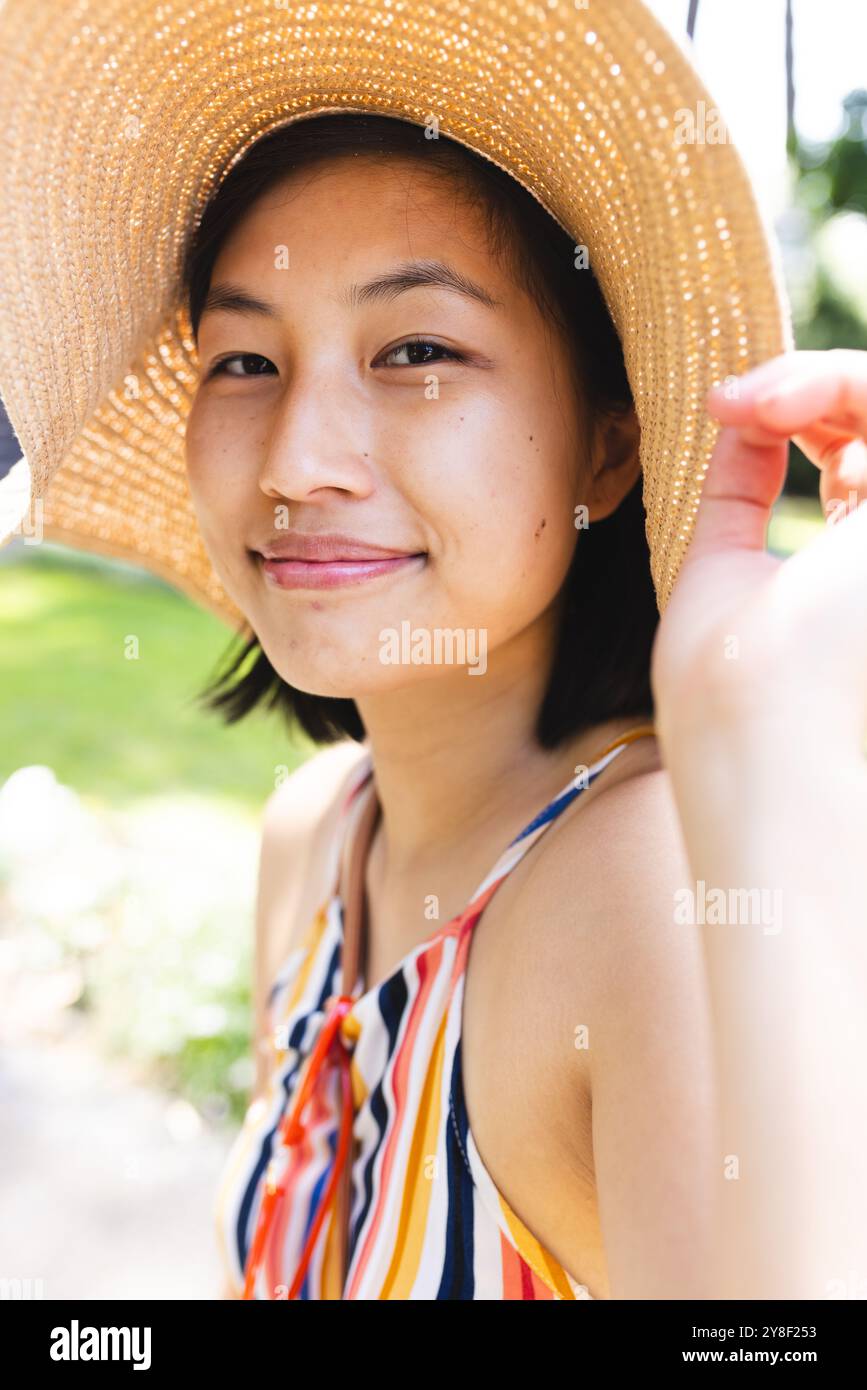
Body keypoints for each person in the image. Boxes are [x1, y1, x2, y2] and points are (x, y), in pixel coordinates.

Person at [0, 0, 864, 1302]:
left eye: (417, 350)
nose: (296, 458)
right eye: (244, 358)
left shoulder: (638, 896)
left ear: (608, 441)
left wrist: (774, 759)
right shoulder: (316, 839)